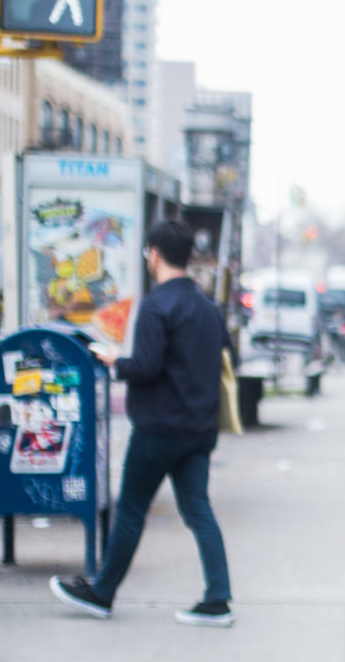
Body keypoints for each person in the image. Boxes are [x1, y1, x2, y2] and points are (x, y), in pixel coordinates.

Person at [50, 218, 235, 627]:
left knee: (131, 510)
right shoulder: (206, 308)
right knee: (199, 511)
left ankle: (101, 593)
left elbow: (147, 367)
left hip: (158, 429)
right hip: (199, 430)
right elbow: (220, 360)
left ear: (153, 253)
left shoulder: (156, 305)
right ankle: (218, 599)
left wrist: (116, 360)